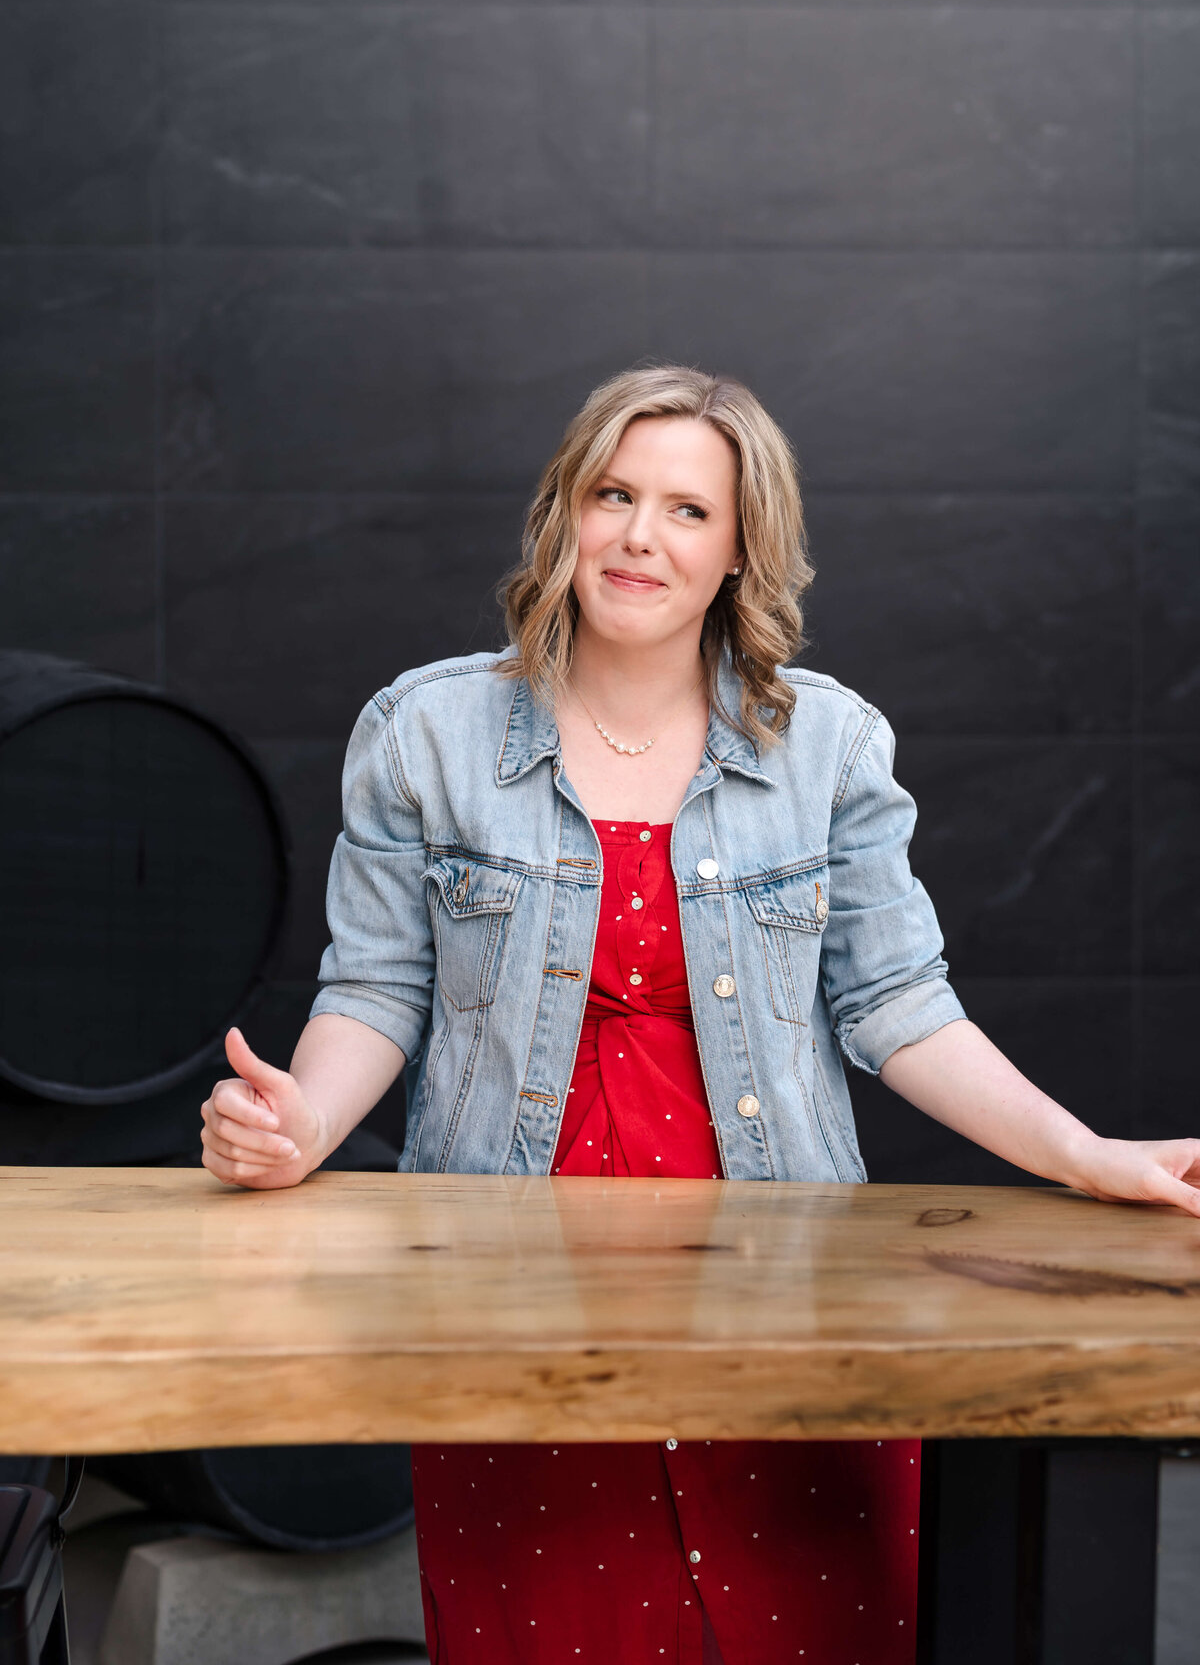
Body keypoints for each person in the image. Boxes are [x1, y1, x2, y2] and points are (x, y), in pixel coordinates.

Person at [201, 365, 1200, 1664]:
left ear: (738, 551)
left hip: (783, 1293)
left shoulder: (827, 748)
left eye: (686, 510)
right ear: (564, 512)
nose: (637, 537)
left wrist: (1089, 1155)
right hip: (507, 1299)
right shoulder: (426, 732)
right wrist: (302, 1127)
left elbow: (898, 1001)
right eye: (612, 494)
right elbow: (378, 990)